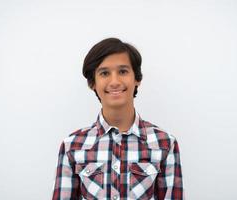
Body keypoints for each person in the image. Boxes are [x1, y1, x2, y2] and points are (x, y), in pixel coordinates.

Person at [52, 38, 183, 200]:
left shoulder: (164, 143)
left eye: (123, 71)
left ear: (137, 79)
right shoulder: (72, 146)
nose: (114, 82)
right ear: (92, 83)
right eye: (104, 73)